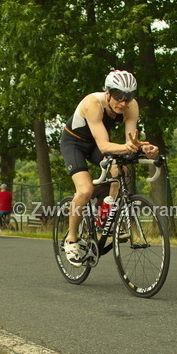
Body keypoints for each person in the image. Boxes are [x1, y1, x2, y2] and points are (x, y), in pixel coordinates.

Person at [59, 70, 160, 265]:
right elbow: (105, 146)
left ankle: (105, 216)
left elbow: (131, 142)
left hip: (96, 145)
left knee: (120, 168)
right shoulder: (93, 104)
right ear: (108, 93)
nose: (123, 103)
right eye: (119, 97)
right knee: (85, 189)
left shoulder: (131, 107)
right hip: (75, 144)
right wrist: (128, 148)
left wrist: (145, 149)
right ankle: (71, 239)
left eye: (128, 97)